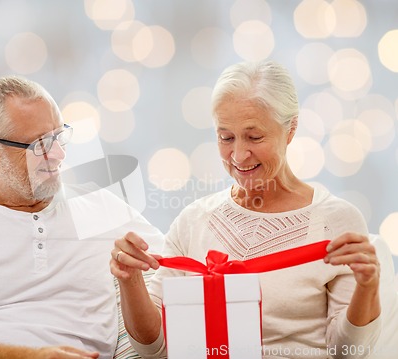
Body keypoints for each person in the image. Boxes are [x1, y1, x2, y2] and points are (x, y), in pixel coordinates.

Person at [110, 60, 382, 359]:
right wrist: (129, 279)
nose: (238, 155)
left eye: (254, 137)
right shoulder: (192, 222)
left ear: (290, 129)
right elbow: (155, 349)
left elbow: (348, 353)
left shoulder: (337, 221)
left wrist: (367, 288)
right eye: (226, 137)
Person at [0, 76, 162, 359]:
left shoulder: (103, 210)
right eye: (39, 144)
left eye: (59, 136)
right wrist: (30, 357)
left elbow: (185, 271)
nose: (59, 154)